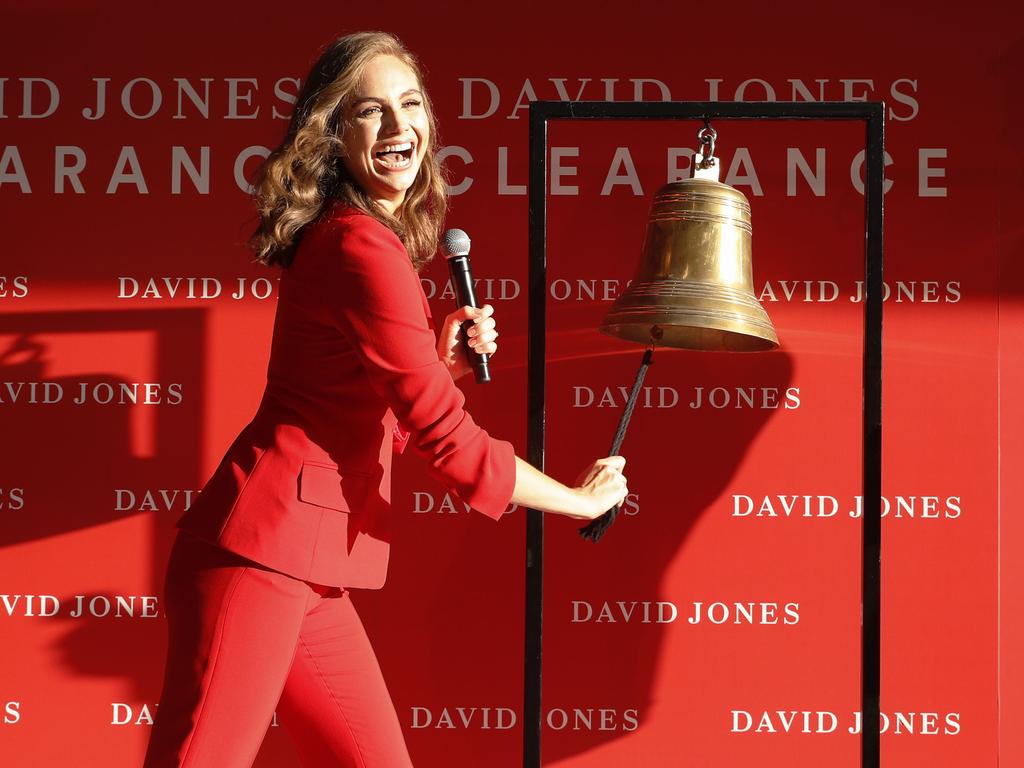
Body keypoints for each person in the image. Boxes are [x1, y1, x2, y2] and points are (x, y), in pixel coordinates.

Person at [143, 31, 628, 768]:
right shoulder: (358, 245)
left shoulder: (361, 240)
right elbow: (448, 441)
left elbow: (363, 414)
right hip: (258, 560)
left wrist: (442, 367)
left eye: (411, 106)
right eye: (372, 112)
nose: (400, 129)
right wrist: (577, 500)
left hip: (309, 569)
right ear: (333, 134)